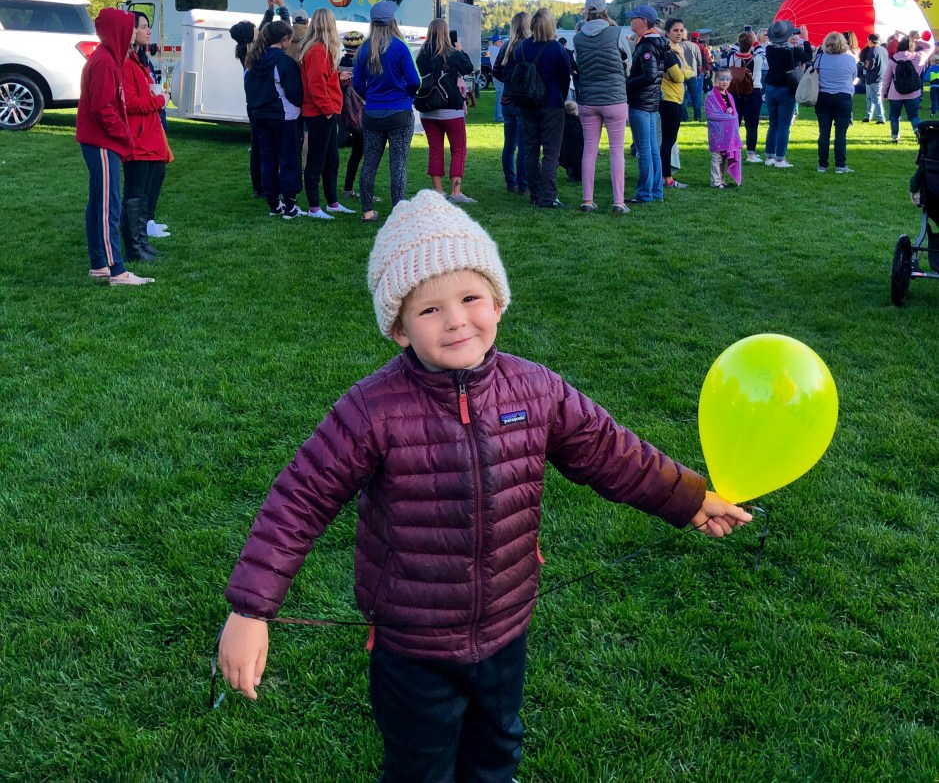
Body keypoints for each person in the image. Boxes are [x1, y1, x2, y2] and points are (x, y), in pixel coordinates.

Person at [217, 191, 751, 781]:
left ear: (498, 302)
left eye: (470, 298)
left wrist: (689, 498)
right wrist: (251, 610)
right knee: (420, 766)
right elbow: (300, 499)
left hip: (505, 624)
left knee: (496, 750)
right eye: (430, 309)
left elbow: (609, 451)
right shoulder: (371, 410)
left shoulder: (536, 389)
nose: (456, 320)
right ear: (399, 330)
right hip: (412, 641)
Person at [74, 8, 154, 286]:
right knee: (109, 206)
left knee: (99, 202)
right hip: (101, 143)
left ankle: (99, 264)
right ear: (117, 31)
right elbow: (102, 109)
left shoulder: (108, 58)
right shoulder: (105, 62)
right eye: (129, 28)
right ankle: (117, 270)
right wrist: (125, 136)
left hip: (99, 142)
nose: (133, 33)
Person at [352, 1, 420, 222]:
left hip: (372, 113)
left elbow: (357, 84)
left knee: (369, 164)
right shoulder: (400, 47)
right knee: (397, 165)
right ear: (392, 21)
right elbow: (415, 80)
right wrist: (407, 95)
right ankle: (398, 213)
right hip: (399, 112)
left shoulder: (363, 49)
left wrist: (370, 98)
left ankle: (367, 211)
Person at [506, 7, 571, 208]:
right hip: (552, 105)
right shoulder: (557, 49)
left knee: (530, 150)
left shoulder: (522, 47)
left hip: (528, 104)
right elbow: (565, 77)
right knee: (551, 152)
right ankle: (548, 196)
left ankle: (535, 193)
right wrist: (560, 97)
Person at [572, 0, 632, 214]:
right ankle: (618, 202)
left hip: (588, 99)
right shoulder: (616, 33)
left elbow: (579, 64)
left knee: (589, 151)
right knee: (616, 151)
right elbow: (628, 62)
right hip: (615, 98)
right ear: (605, 10)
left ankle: (587, 200)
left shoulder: (578, 38)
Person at [297, 9, 356, 220]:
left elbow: (321, 78)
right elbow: (316, 85)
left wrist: (337, 75)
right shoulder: (318, 51)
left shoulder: (319, 50)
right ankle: (314, 206)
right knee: (316, 160)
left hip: (325, 112)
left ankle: (332, 202)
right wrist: (328, 109)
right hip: (320, 113)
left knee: (331, 159)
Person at [121, 14, 171, 263]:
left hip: (148, 135)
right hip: (138, 137)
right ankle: (134, 247)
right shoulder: (126, 63)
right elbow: (130, 103)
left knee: (143, 192)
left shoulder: (138, 60)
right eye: (142, 27)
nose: (147, 31)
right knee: (135, 193)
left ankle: (141, 241)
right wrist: (159, 100)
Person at [244, 20, 304, 218]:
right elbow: (294, 91)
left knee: (267, 159)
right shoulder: (284, 62)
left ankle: (274, 204)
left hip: (260, 116)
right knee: (288, 159)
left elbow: (248, 89)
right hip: (284, 116)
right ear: (285, 39)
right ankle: (290, 205)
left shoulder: (253, 60)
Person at [416, 18, 476, 204]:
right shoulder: (453, 54)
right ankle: (456, 193)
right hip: (451, 109)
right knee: (458, 149)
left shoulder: (421, 55)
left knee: (435, 149)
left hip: (428, 109)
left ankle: (438, 191)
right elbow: (468, 67)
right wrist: (460, 50)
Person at [624, 4, 668, 203]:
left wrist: (627, 84)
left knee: (644, 151)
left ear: (643, 21)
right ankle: (656, 191)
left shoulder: (646, 45)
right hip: (651, 103)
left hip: (641, 102)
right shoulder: (656, 42)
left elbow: (649, 75)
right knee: (652, 149)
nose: (631, 21)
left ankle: (644, 194)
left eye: (634, 18)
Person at [763, 20, 813, 169]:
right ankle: (780, 159)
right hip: (786, 89)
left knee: (773, 124)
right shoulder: (793, 51)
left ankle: (769, 156)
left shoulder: (769, 50)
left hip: (770, 88)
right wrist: (806, 38)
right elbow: (808, 56)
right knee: (784, 126)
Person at [491, 12, 529, 197]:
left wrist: (508, 81)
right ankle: (523, 185)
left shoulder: (505, 46)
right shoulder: (529, 46)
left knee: (509, 145)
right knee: (524, 146)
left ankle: (511, 182)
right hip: (523, 101)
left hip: (507, 99)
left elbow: (496, 71)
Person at [814, 31, 859, 174]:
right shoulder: (850, 59)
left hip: (823, 97)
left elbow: (815, 74)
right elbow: (853, 76)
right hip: (843, 97)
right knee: (840, 133)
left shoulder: (820, 58)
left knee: (824, 132)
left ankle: (822, 164)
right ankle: (840, 165)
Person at [661, 17, 695, 190]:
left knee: (670, 139)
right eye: (675, 30)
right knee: (668, 140)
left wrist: (684, 73)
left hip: (676, 97)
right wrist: (684, 73)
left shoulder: (678, 50)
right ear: (667, 32)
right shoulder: (668, 51)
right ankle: (666, 177)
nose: (679, 33)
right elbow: (679, 77)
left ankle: (664, 175)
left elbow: (690, 71)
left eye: (681, 30)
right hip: (668, 98)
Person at [724, 31, 766, 164]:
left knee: (734, 124)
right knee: (752, 125)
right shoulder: (758, 59)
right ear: (751, 45)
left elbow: (734, 48)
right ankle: (751, 154)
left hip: (735, 93)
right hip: (753, 92)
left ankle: (731, 151)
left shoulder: (731, 57)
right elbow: (761, 51)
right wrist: (755, 40)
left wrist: (741, 39)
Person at [883, 33, 934, 142]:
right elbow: (930, 46)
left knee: (894, 116)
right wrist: (916, 40)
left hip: (895, 93)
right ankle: (917, 130)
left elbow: (887, 78)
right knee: (913, 116)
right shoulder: (919, 56)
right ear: (912, 45)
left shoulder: (893, 59)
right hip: (913, 92)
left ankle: (894, 137)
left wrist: (884, 93)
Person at [338, 29, 366, 197]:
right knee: (362, 153)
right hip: (361, 114)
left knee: (353, 153)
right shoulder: (362, 65)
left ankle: (347, 188)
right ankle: (360, 190)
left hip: (342, 114)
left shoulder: (338, 64)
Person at [705, 68, 741, 189]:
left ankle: (721, 180)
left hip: (728, 134)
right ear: (716, 80)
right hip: (717, 133)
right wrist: (728, 116)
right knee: (717, 157)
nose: (725, 82)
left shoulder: (729, 96)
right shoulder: (711, 96)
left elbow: (734, 115)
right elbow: (711, 114)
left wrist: (731, 115)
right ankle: (715, 182)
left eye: (727, 79)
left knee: (724, 157)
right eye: (721, 79)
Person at [859, 33, 887, 124]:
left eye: (868, 41)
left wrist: (862, 65)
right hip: (881, 76)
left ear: (871, 41)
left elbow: (869, 66)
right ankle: (868, 116)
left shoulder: (872, 51)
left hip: (873, 78)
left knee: (875, 98)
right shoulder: (883, 49)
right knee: (871, 98)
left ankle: (881, 118)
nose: (867, 42)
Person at [559, 99, 584, 183]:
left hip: (565, 147)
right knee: (577, 161)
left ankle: (571, 172)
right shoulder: (578, 122)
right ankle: (577, 175)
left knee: (568, 161)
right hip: (577, 147)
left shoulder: (562, 122)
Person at [489, 34, 505, 122]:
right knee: (500, 97)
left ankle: (497, 115)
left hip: (495, 75)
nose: (502, 43)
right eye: (500, 41)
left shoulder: (492, 49)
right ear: (497, 42)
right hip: (499, 76)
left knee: (499, 96)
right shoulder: (496, 50)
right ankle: (499, 116)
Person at [926, 52, 939, 117]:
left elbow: (926, 78)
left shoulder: (931, 69)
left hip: (933, 86)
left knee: (933, 100)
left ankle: (933, 113)